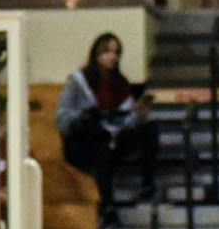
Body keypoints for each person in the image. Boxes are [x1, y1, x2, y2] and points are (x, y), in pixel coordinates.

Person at [55, 32, 157, 214]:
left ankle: (147, 186)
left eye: (116, 53)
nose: (112, 57)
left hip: (112, 138)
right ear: (96, 54)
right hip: (83, 142)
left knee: (148, 130)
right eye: (107, 52)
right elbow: (62, 118)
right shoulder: (78, 81)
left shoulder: (121, 83)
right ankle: (107, 206)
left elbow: (123, 121)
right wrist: (85, 116)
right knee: (99, 141)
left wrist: (137, 113)